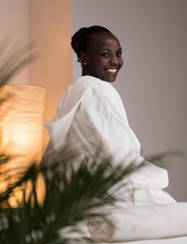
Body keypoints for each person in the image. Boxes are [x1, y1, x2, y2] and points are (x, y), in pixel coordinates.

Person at [43, 25, 175, 206]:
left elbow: (53, 157)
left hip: (78, 200)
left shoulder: (73, 93)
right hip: (113, 197)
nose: (115, 61)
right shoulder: (99, 90)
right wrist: (161, 177)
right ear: (83, 57)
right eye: (106, 55)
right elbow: (124, 157)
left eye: (119, 54)